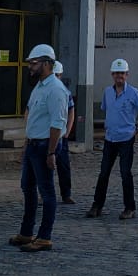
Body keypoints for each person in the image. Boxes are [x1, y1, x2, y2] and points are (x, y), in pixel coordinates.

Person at [10, 43, 69, 253]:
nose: (30, 67)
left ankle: (44, 237)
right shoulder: (40, 86)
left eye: (34, 63)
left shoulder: (55, 90)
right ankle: (26, 232)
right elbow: (34, 118)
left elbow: (56, 124)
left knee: (47, 192)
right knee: (28, 188)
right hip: (34, 144)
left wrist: (52, 152)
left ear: (46, 63)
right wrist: (27, 144)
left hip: (46, 146)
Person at [85, 58, 138, 220]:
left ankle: (130, 207)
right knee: (103, 173)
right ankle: (97, 205)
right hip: (110, 138)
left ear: (127, 75)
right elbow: (106, 109)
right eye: (116, 73)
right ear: (112, 75)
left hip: (126, 139)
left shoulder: (133, 93)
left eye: (122, 73)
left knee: (125, 173)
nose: (119, 76)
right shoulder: (108, 92)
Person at [54, 60, 76, 204]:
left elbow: (71, 112)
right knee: (45, 166)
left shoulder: (65, 92)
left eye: (57, 75)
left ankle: (66, 194)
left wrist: (68, 131)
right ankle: (45, 193)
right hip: (46, 134)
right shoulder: (43, 90)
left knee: (63, 166)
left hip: (61, 136)